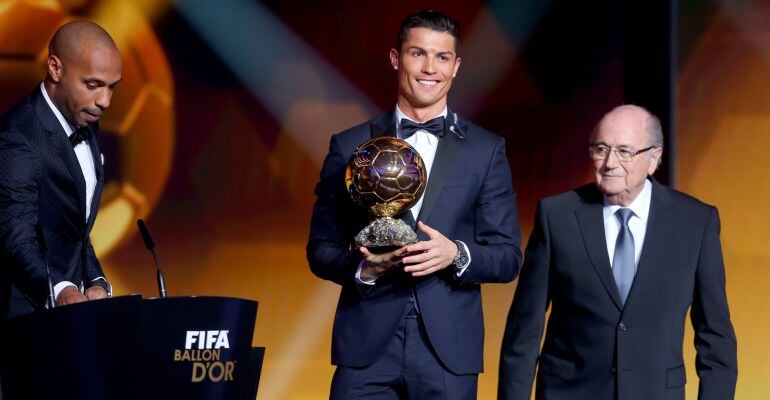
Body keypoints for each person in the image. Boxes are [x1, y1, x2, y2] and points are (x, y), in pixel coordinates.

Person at [307, 9, 522, 399]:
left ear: (456, 67)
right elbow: (320, 249)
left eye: (442, 57)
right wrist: (363, 270)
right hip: (366, 349)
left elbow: (508, 257)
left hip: (448, 352)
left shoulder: (486, 151)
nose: (430, 68)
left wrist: (455, 253)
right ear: (396, 58)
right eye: (417, 53)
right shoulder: (349, 145)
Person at [498, 105, 737, 400]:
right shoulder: (557, 216)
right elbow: (524, 332)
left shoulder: (696, 223)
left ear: (654, 158)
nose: (610, 162)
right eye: (601, 149)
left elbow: (716, 339)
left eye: (625, 151)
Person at [0, 21, 122, 317]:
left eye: (112, 87)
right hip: (21, 319)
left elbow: (75, 231)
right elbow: (14, 236)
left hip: (70, 320)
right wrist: (59, 290)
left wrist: (95, 281)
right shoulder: (18, 136)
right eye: (93, 85)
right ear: (55, 69)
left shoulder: (85, 118)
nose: (104, 101)